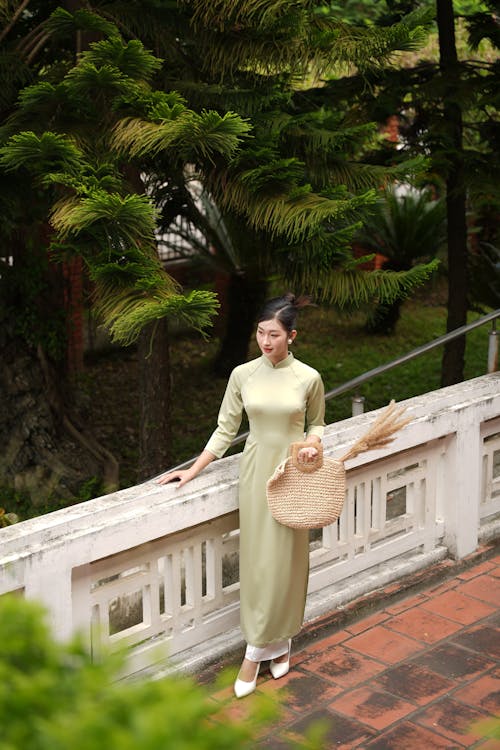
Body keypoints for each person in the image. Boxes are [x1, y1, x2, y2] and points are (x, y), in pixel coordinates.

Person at [157, 293, 325, 698]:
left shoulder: (308, 377)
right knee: (259, 564)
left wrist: (311, 446)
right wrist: (192, 470)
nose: (266, 341)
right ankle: (260, 646)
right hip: (254, 477)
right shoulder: (242, 375)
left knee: (288, 561)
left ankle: (274, 644)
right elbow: (225, 429)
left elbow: (318, 425)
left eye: (274, 334)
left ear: (292, 336)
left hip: (291, 475)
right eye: (261, 332)